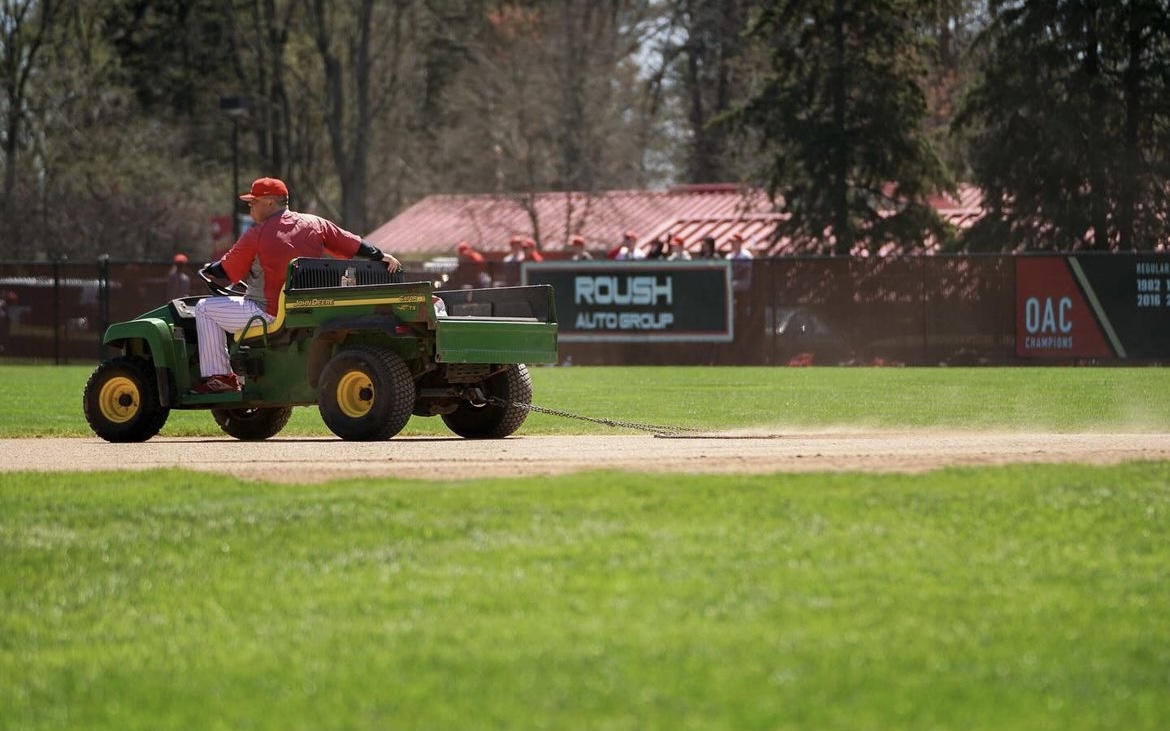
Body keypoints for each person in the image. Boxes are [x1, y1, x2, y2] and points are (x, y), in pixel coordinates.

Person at [193, 177, 401, 394]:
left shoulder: (257, 233)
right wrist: (380, 255)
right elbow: (353, 242)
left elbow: (226, 271)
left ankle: (220, 377)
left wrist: (209, 268)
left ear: (270, 203)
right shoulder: (315, 223)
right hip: (308, 310)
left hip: (268, 313)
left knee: (204, 309)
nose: (250, 205)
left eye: (254, 201)